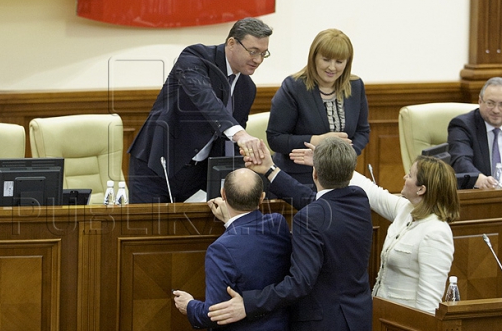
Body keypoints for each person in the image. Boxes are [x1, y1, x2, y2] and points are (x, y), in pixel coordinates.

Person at [208, 137, 373, 330]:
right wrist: (270, 170)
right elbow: (320, 204)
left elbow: (299, 284)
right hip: (358, 318)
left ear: (314, 173)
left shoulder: (310, 218)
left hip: (323, 323)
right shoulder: (359, 201)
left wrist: (248, 304)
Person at [291, 145, 460, 312]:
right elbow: (374, 192)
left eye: (409, 175)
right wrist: (328, 162)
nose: (404, 177)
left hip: (405, 319)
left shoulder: (436, 232)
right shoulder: (406, 210)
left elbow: (429, 303)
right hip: (382, 313)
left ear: (421, 189)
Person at [128, 18, 273, 203]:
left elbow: (229, 143)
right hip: (156, 165)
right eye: (253, 52)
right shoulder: (195, 57)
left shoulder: (247, 88)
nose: (258, 60)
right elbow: (205, 98)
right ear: (231, 43)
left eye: (263, 53)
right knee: (148, 229)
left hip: (199, 175)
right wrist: (240, 134)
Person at [172, 168, 292, 330]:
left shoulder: (221, 249)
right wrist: (231, 222)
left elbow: (215, 314)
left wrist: (189, 306)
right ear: (262, 197)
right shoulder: (278, 223)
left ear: (223, 194)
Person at [266, 28, 370, 187]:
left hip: (340, 177)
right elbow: (276, 139)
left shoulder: (355, 86)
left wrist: (343, 156)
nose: (332, 67)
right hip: (297, 180)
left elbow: (363, 132)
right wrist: (318, 141)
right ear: (314, 57)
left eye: (339, 62)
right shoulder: (293, 87)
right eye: (326, 59)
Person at [448, 77, 502, 189]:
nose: (496, 110)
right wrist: (479, 178)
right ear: (480, 101)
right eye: (490, 103)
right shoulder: (463, 125)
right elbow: (460, 161)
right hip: (478, 198)